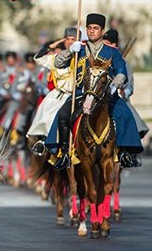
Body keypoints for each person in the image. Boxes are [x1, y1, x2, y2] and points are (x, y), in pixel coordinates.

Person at [50, 14, 143, 170]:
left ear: (102, 30)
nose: (92, 31)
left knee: (124, 113)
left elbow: (121, 71)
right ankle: (65, 152)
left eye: (96, 28)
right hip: (80, 94)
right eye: (90, 28)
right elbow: (58, 64)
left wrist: (115, 85)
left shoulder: (111, 52)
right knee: (63, 114)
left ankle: (124, 151)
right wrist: (68, 51)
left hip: (105, 95)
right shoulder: (79, 48)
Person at [27, 28, 77, 156]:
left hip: (76, 94)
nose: (70, 42)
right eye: (68, 39)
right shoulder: (55, 58)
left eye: (73, 39)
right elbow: (38, 58)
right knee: (46, 110)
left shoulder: (82, 57)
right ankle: (44, 140)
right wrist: (52, 45)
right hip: (59, 93)